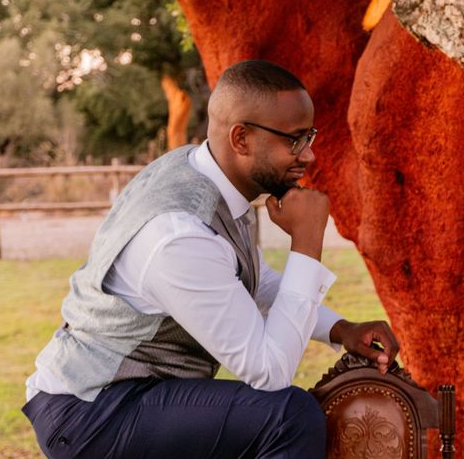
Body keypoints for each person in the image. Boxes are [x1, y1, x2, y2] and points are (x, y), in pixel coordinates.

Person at [22, 60, 399, 458]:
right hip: (92, 410)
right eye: (295, 140)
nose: (309, 156)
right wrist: (307, 241)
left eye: (310, 136)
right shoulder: (179, 232)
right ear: (241, 139)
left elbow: (252, 283)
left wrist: (340, 328)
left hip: (128, 398)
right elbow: (270, 372)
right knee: (288, 417)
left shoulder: (213, 178)